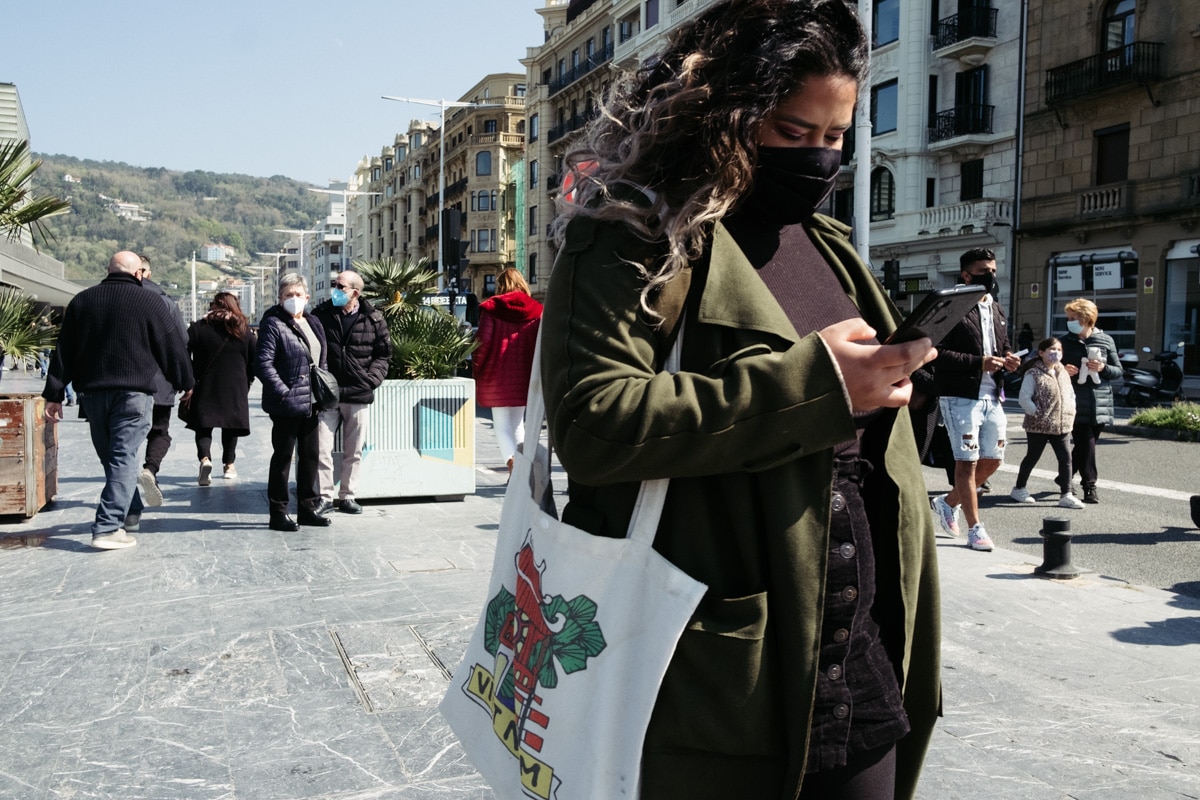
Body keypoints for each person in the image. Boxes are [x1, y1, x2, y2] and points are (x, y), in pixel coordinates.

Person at [539, 2, 941, 797]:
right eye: (792, 134)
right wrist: (815, 384)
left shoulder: (829, 247)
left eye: (834, 138)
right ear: (721, 114)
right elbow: (593, 424)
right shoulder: (631, 237)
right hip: (722, 653)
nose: (818, 158)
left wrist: (894, 381)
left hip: (859, 643)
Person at [40, 250, 193, 549]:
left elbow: (64, 351)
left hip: (93, 396)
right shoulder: (151, 301)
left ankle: (132, 512)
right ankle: (108, 527)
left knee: (113, 459)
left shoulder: (82, 300)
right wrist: (186, 382)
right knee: (121, 459)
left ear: (108, 270)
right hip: (134, 395)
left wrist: (54, 393)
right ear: (139, 274)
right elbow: (172, 346)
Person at [929, 247, 1022, 552]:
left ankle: (947, 501)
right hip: (959, 396)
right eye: (983, 271)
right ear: (966, 275)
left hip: (993, 394)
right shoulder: (951, 305)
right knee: (966, 464)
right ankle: (975, 529)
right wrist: (977, 363)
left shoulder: (996, 307)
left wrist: (1009, 359)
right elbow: (934, 352)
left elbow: (1004, 345)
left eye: (993, 269)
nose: (991, 276)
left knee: (994, 460)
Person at [311, 269, 391, 515]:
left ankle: (347, 496)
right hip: (328, 392)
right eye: (334, 284)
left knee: (353, 450)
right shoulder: (320, 315)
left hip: (358, 392)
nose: (334, 289)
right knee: (321, 447)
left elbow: (384, 354)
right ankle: (324, 496)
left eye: (340, 286)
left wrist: (371, 380)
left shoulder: (374, 318)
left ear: (355, 293)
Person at [256, 273, 331, 531]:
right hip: (287, 404)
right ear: (280, 298)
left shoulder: (313, 323)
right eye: (289, 295)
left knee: (310, 457)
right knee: (283, 458)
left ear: (307, 297)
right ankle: (278, 512)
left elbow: (321, 358)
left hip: (312, 403)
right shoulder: (273, 324)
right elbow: (263, 364)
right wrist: (283, 392)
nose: (294, 299)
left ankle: (308, 509)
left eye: (298, 295)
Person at [472, 267, 543, 472]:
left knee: (502, 424)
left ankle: (512, 462)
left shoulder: (492, 309)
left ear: (501, 285)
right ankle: (520, 467)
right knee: (518, 423)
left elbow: (482, 344)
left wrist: (477, 371)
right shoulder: (537, 311)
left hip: (497, 376)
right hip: (525, 376)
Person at [183, 292, 256, 485]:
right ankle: (229, 465)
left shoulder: (198, 328)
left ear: (215, 305)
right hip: (235, 386)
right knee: (230, 426)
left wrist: (189, 378)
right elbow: (253, 360)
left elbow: (183, 353)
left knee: (203, 426)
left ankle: (205, 459)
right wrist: (247, 381)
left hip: (205, 384)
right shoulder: (244, 330)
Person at [135, 254, 189, 509]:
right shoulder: (165, 302)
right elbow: (180, 342)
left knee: (123, 439)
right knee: (159, 432)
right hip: (159, 382)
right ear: (148, 272)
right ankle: (150, 468)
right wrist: (185, 379)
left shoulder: (104, 296)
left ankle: (126, 485)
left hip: (119, 383)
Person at [1060, 297, 1123, 503]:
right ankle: (1089, 487)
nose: (1069, 322)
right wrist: (1063, 370)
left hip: (1101, 402)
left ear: (1087, 319)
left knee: (1085, 446)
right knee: (1087, 444)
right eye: (1068, 318)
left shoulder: (1106, 340)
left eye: (1074, 318)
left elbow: (1118, 371)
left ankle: (1064, 477)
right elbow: (1049, 367)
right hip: (1075, 401)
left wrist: (1103, 368)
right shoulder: (1063, 341)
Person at [1010, 337, 1085, 509]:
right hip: (1038, 425)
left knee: (1066, 458)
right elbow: (1024, 398)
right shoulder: (1033, 373)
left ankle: (1066, 494)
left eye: (1059, 350)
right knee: (1032, 457)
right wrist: (1036, 413)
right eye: (1051, 349)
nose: (1056, 353)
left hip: (1062, 424)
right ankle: (1019, 488)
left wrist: (1071, 410)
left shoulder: (1063, 372)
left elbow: (1071, 394)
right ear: (1041, 353)